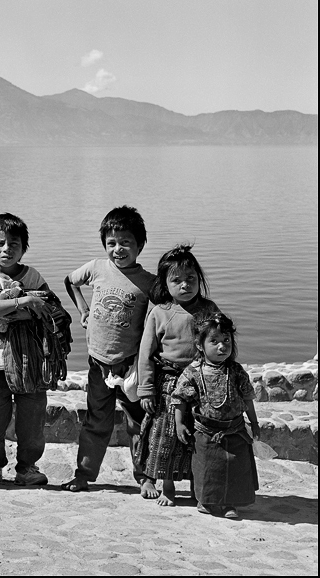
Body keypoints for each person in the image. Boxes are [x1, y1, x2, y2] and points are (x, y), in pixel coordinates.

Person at [60, 206, 156, 495]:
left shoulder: (149, 282)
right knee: (95, 422)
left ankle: (146, 476)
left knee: (138, 424)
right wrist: (83, 310)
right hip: (98, 363)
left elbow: (164, 311)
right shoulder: (96, 268)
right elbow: (69, 281)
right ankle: (84, 474)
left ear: (140, 245)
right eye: (111, 243)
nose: (118, 249)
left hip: (130, 366)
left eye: (126, 242)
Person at [0, 213, 53, 486]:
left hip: (30, 361)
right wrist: (25, 302)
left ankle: (28, 467)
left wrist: (25, 305)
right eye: (1, 243)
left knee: (32, 419)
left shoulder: (34, 276)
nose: (7, 249)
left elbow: (50, 309)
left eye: (14, 244)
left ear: (23, 248)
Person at [136, 244, 219, 505]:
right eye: (177, 280)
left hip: (201, 383)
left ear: (199, 279)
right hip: (169, 384)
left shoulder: (208, 310)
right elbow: (146, 354)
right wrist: (146, 389)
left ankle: (200, 485)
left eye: (191, 279)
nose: (185, 285)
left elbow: (219, 344)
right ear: (165, 284)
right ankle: (166, 485)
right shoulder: (160, 313)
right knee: (166, 435)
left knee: (198, 435)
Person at [173, 312, 260, 519]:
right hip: (206, 432)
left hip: (235, 430)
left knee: (234, 468)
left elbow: (247, 398)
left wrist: (254, 423)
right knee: (208, 469)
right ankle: (207, 501)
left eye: (226, 340)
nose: (222, 347)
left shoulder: (236, 371)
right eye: (215, 341)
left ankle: (230, 503)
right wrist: (179, 424)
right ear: (200, 345)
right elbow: (179, 399)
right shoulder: (193, 373)